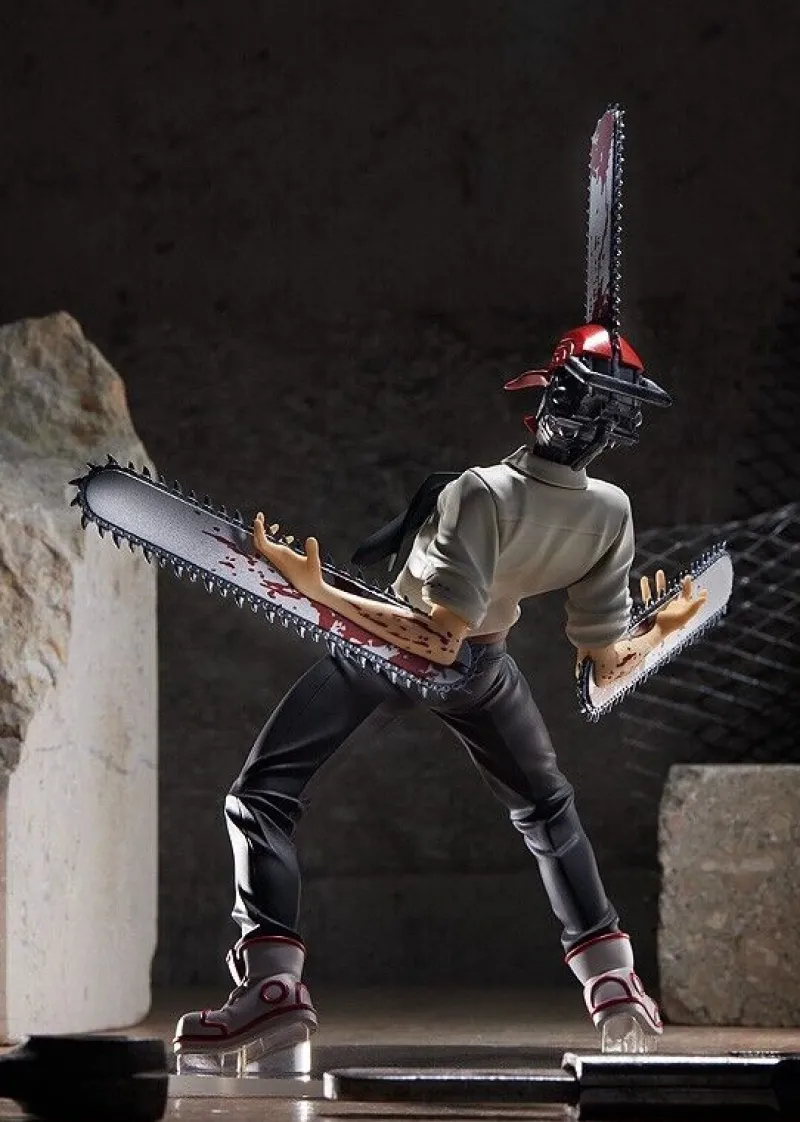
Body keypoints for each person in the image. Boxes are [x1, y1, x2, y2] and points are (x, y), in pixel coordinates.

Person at [173, 324, 706, 1062]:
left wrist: (318, 591)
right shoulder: (609, 509)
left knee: (260, 797)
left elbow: (435, 640)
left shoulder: (481, 492)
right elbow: (603, 661)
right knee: (548, 812)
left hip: (395, 649)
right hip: (488, 668)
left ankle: (271, 987)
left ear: (550, 403)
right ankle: (614, 983)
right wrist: (662, 629)